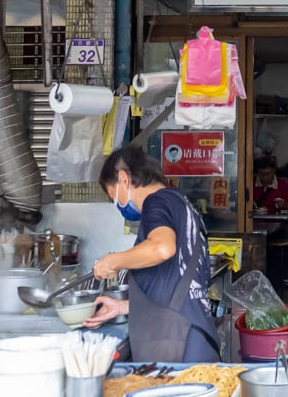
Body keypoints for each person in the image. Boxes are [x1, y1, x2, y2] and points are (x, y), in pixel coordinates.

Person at [84, 147, 219, 363]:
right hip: (193, 334)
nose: (118, 205)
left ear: (123, 179)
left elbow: (163, 248)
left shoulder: (156, 202)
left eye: (113, 197)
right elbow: (173, 282)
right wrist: (124, 307)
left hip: (178, 342)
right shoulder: (179, 202)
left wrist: (113, 261)